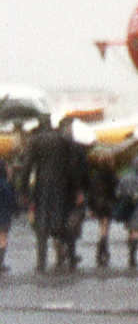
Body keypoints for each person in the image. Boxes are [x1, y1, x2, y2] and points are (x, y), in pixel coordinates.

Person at [15, 116, 88, 272]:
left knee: (42, 223)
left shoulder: (35, 141)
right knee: (62, 220)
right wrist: (77, 189)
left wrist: (23, 190)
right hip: (62, 185)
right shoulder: (63, 140)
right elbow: (73, 165)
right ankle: (70, 255)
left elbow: (27, 166)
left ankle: (41, 262)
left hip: (42, 185)